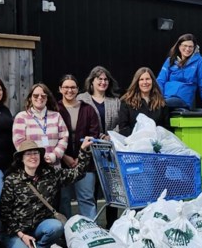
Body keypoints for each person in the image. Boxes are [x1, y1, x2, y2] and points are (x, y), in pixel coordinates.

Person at [0, 138, 94, 248]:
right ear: (21, 158)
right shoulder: (12, 179)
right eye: (28, 154)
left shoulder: (50, 174)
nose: (33, 157)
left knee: (57, 226)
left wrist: (83, 150)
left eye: (35, 153)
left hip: (40, 227)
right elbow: (5, 214)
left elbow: (78, 173)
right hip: (17, 231)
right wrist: (22, 235)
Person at [77, 66, 123, 227]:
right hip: (90, 151)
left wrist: (111, 135)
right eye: (99, 79)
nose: (103, 82)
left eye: (105, 79)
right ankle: (93, 225)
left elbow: (121, 123)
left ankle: (112, 225)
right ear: (92, 81)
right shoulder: (82, 99)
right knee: (90, 190)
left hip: (109, 151)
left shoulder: (115, 101)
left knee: (112, 190)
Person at [58, 74, 102, 220]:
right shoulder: (54, 109)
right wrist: (65, 157)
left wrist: (80, 157)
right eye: (66, 87)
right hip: (62, 163)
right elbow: (52, 137)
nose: (69, 90)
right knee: (63, 200)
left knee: (86, 198)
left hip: (86, 163)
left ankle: (91, 233)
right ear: (60, 89)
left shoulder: (88, 109)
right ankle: (66, 234)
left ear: (78, 89)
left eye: (72, 87)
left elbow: (93, 135)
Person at [12, 82, 69, 166]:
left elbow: (64, 138)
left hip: (54, 166)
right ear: (30, 98)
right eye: (35, 95)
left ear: (47, 98)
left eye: (43, 96)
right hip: (32, 167)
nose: (39, 98)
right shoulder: (21, 117)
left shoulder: (56, 116)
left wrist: (55, 155)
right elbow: (19, 142)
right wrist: (35, 158)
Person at [157, 33, 202, 110]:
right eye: (185, 45)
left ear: (194, 48)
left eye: (190, 46)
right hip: (166, 97)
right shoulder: (170, 60)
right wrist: (158, 98)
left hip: (183, 99)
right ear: (179, 46)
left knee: (163, 104)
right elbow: (160, 80)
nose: (187, 49)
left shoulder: (200, 62)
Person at [119, 66, 170, 131]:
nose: (145, 82)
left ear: (152, 81)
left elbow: (166, 128)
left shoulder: (161, 103)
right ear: (137, 82)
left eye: (147, 79)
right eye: (141, 79)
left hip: (156, 140)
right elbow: (123, 128)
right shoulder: (126, 102)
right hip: (134, 140)